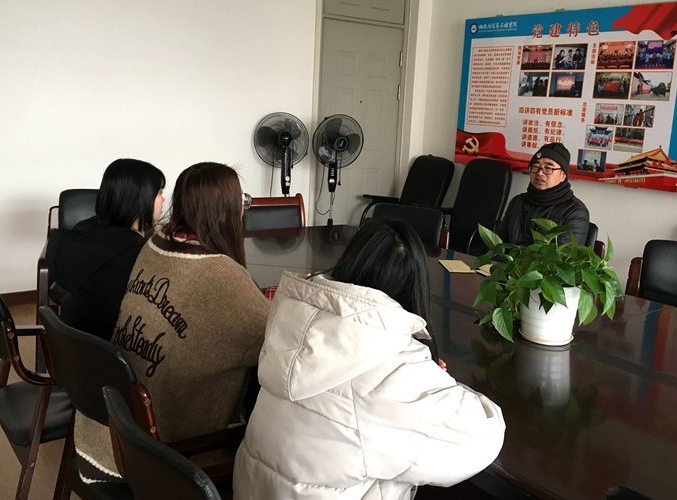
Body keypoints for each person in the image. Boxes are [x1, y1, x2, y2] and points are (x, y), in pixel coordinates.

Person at [233, 220, 506, 500]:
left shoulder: (294, 320)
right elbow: (482, 437)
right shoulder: (393, 368)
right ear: (416, 287)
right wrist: (438, 380)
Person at [74, 162, 271, 483]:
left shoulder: (154, 243)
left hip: (115, 427)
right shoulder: (223, 276)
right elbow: (278, 345)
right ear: (227, 211)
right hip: (169, 454)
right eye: (242, 201)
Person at [46, 158, 165, 340]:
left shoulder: (83, 229)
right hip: (110, 349)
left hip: (72, 342)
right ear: (140, 197)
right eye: (159, 193)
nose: (163, 199)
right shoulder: (133, 251)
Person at [495, 143, 589, 245]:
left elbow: (564, 253)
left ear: (563, 175)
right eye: (535, 167)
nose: (540, 173)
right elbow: (497, 244)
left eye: (548, 168)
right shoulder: (517, 201)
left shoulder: (575, 212)